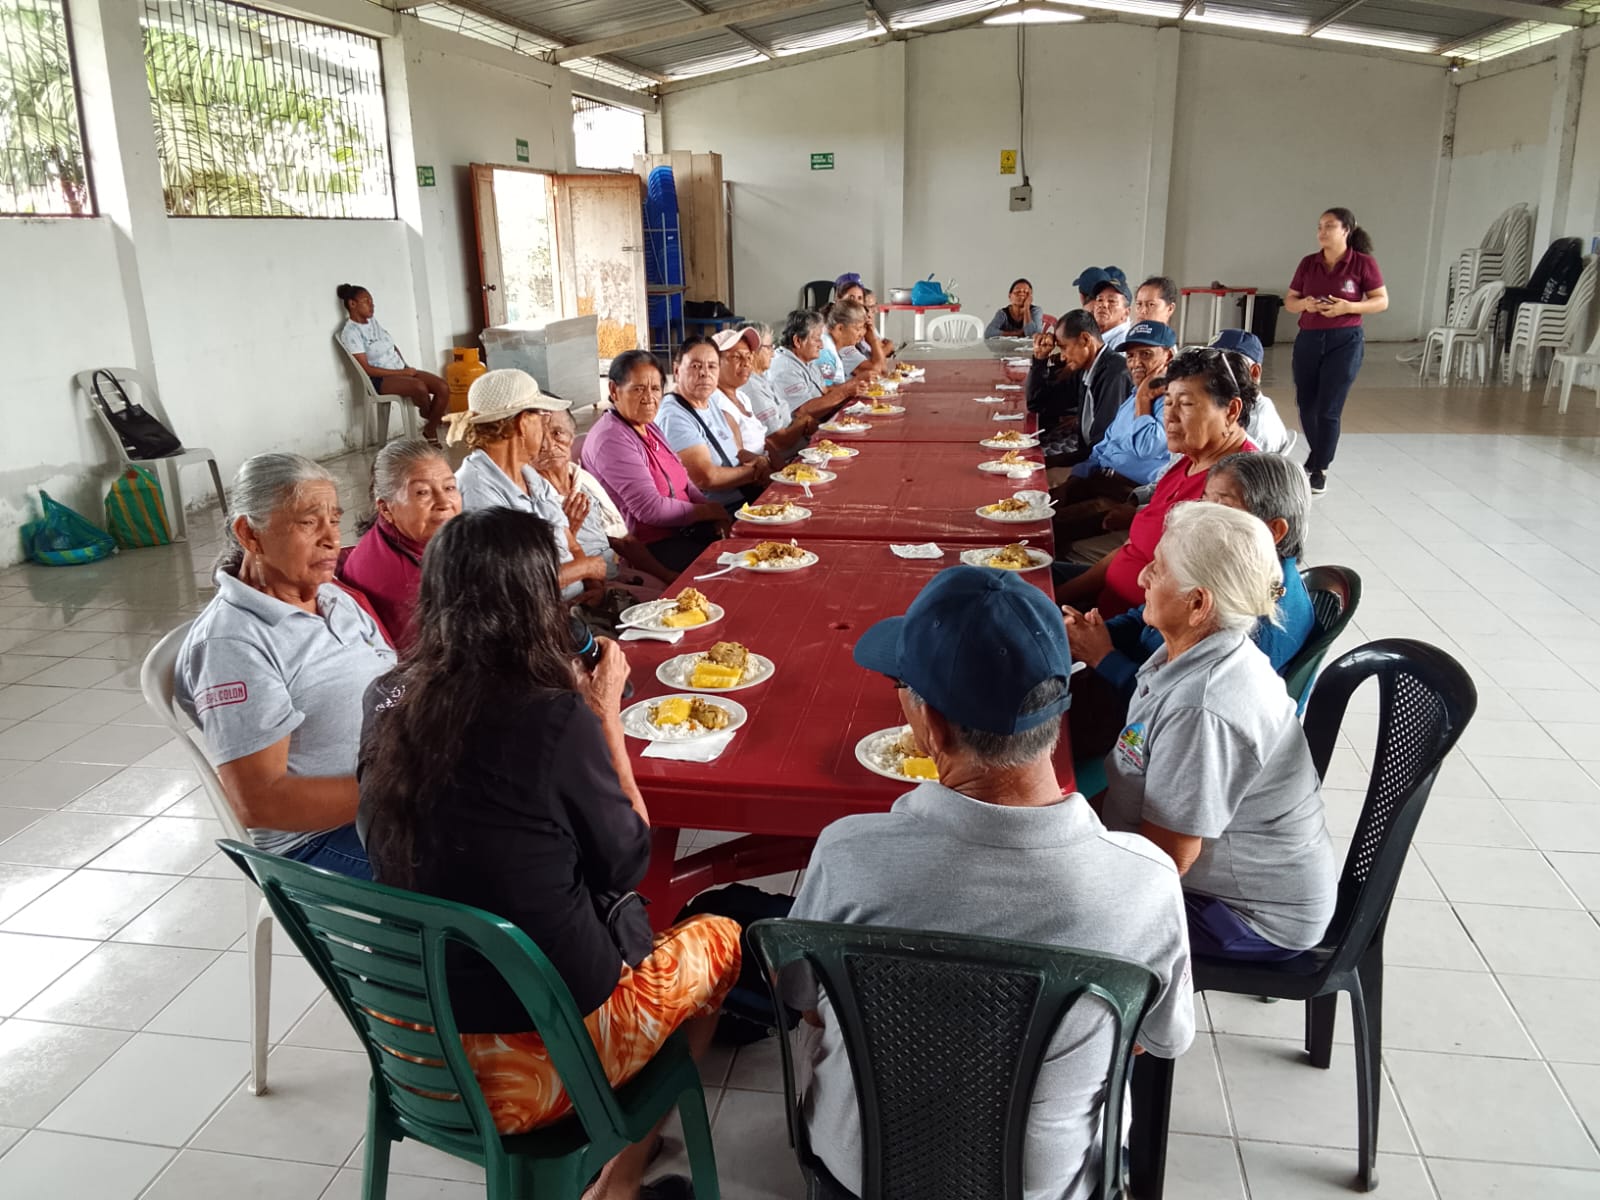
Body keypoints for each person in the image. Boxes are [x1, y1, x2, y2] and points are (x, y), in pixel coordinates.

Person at [358, 508, 740, 1200]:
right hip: (541, 1062)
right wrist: (605, 716)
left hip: (412, 1046)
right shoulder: (553, 717)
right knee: (721, 938)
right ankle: (620, 1181)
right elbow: (628, 860)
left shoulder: (385, 698)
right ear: (537, 603)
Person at [787, 566, 1194, 1199]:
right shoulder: (1145, 883)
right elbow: (1156, 1038)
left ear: (932, 725)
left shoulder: (849, 855)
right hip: (1045, 1186)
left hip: (862, 1173)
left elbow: (805, 1002)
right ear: (1058, 708)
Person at [1101, 502, 1337, 961]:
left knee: (1052, 924)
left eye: (1159, 568)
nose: (1143, 576)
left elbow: (1168, 859)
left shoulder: (1203, 708)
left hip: (1244, 917)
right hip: (1201, 880)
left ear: (1198, 604)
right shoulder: (1189, 654)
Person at [176, 453, 395, 879]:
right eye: (309, 522)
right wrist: (404, 788)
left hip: (388, 799)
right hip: (318, 841)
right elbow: (260, 801)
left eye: (335, 520)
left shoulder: (332, 596)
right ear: (249, 534)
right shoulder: (232, 643)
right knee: (499, 874)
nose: (332, 539)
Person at [1065, 452, 1315, 760]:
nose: (1203, 515)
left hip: (1149, 733)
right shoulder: (1226, 570)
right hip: (1132, 687)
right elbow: (1144, 618)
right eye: (1204, 501)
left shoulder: (1256, 624)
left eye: (1222, 507)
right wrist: (1090, 634)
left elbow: (1179, 712)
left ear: (1272, 531)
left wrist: (1103, 658)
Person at [1056, 348, 1257, 617]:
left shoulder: (1233, 489)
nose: (1169, 416)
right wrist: (1060, 596)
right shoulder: (1189, 460)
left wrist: (1083, 623)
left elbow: (1196, 608)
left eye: (1185, 404)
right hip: (1104, 606)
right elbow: (1131, 550)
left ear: (1231, 410)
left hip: (1136, 626)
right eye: (1168, 402)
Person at [450, 369, 605, 604]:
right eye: (543, 419)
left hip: (572, 605)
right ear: (523, 423)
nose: (545, 431)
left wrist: (594, 586)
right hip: (532, 617)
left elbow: (570, 544)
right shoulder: (477, 489)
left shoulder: (530, 476)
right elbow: (513, 582)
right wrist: (586, 568)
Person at [581, 350, 732, 574]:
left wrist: (712, 515)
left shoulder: (648, 425)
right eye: (638, 389)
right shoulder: (610, 438)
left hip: (683, 530)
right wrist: (706, 511)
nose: (649, 398)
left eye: (655, 389)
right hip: (650, 546)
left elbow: (684, 482)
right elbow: (649, 509)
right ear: (613, 390)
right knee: (730, 570)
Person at [1285, 207, 1388, 495]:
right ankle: (1317, 456)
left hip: (1345, 341)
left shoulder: (1363, 263)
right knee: (1307, 403)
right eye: (1320, 226)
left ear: (1346, 230)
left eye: (1329, 226)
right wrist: (1305, 304)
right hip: (1309, 338)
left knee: (1329, 407)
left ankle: (1320, 469)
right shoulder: (1309, 263)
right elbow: (1290, 301)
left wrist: (1348, 307)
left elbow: (1381, 301)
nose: (1322, 231)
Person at [1050, 320, 1174, 540]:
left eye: (1145, 354)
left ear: (1168, 357)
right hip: (1100, 481)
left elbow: (1146, 447)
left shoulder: (1171, 401)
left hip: (1127, 495)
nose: (1135, 363)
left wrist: (1143, 399)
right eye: (1131, 356)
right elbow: (1103, 448)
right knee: (1035, 507)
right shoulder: (1134, 396)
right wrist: (1073, 482)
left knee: (1050, 529)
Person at [338, 439, 460, 651]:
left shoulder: (402, 540)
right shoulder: (410, 585)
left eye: (449, 487)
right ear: (386, 509)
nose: (444, 503)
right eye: (422, 492)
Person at [535, 407, 675, 590]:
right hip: (577, 589)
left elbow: (623, 540)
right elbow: (540, 573)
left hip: (614, 574)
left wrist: (668, 576)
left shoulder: (582, 480)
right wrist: (568, 532)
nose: (547, 445)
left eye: (557, 433)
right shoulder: (530, 495)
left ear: (571, 436)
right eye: (538, 436)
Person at [656, 335, 771, 511]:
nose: (704, 373)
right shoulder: (673, 415)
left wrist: (761, 460)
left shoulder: (710, 403)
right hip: (720, 512)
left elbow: (735, 452)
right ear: (677, 370)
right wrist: (756, 472)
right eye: (695, 366)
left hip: (744, 499)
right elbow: (706, 477)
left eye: (711, 366)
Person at [336, 284, 449, 443]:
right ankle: (430, 415)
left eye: (372, 301)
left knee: (443, 387)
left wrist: (404, 366)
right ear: (352, 304)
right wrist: (403, 373)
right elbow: (367, 369)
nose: (372, 305)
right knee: (419, 387)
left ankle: (430, 428)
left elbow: (391, 346)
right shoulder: (350, 333)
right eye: (366, 301)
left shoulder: (372, 322)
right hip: (379, 379)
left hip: (401, 370)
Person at [1035, 310, 1131, 469]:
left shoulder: (1114, 375)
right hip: (1087, 457)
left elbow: (1102, 448)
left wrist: (1048, 463)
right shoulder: (1085, 368)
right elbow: (1039, 403)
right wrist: (1040, 359)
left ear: (1085, 339)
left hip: (1105, 467)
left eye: (1064, 347)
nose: (1063, 356)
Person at [714, 327, 814, 461]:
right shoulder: (718, 403)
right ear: (715, 363)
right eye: (736, 357)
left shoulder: (742, 398)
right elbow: (741, 457)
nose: (746, 363)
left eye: (748, 356)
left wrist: (780, 468)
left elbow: (765, 443)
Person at [766, 309, 863, 424]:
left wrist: (854, 387)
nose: (821, 346)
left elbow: (825, 391)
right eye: (817, 339)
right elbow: (802, 411)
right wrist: (845, 392)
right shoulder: (785, 369)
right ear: (798, 341)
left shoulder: (807, 361)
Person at [1210, 330, 1294, 454]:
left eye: (1226, 368)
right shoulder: (1240, 408)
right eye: (1210, 365)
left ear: (1254, 372)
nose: (1212, 374)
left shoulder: (1251, 431)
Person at [824, 300, 878, 380]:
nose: (861, 334)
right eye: (857, 329)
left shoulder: (836, 348)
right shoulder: (824, 351)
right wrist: (856, 381)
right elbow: (825, 387)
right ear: (840, 328)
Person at [1090, 277, 1133, 351]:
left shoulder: (1123, 343)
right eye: (1100, 300)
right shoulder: (1093, 336)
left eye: (1112, 301)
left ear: (1126, 313)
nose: (1103, 305)